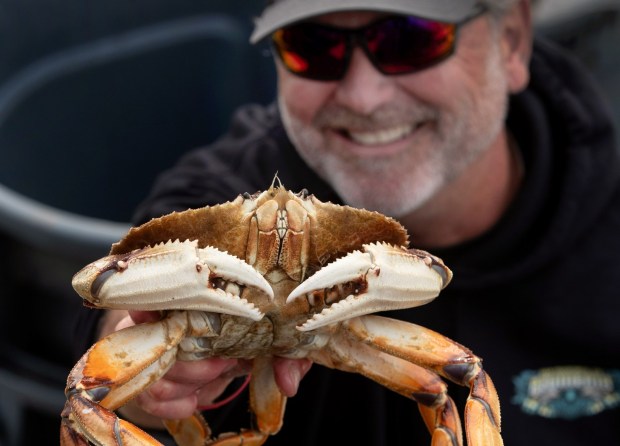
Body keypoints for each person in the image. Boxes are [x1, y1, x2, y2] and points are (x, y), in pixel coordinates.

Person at [73, 0, 620, 444]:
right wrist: (150, 369)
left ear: (512, 40)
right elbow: (113, 296)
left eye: (410, 39)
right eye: (313, 45)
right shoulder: (225, 185)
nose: (364, 96)